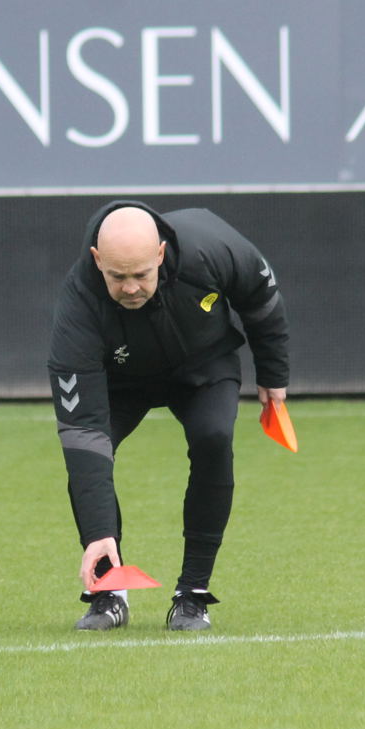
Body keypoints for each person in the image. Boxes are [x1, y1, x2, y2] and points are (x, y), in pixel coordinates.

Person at [47, 201, 290, 631]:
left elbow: (261, 298)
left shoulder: (209, 246)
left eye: (141, 275)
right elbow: (83, 431)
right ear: (97, 260)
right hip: (121, 380)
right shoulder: (78, 305)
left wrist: (273, 373)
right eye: (117, 277)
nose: (131, 288)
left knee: (214, 438)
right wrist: (97, 532)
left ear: (160, 253)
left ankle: (193, 593)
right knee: (90, 457)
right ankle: (108, 591)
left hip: (203, 364)